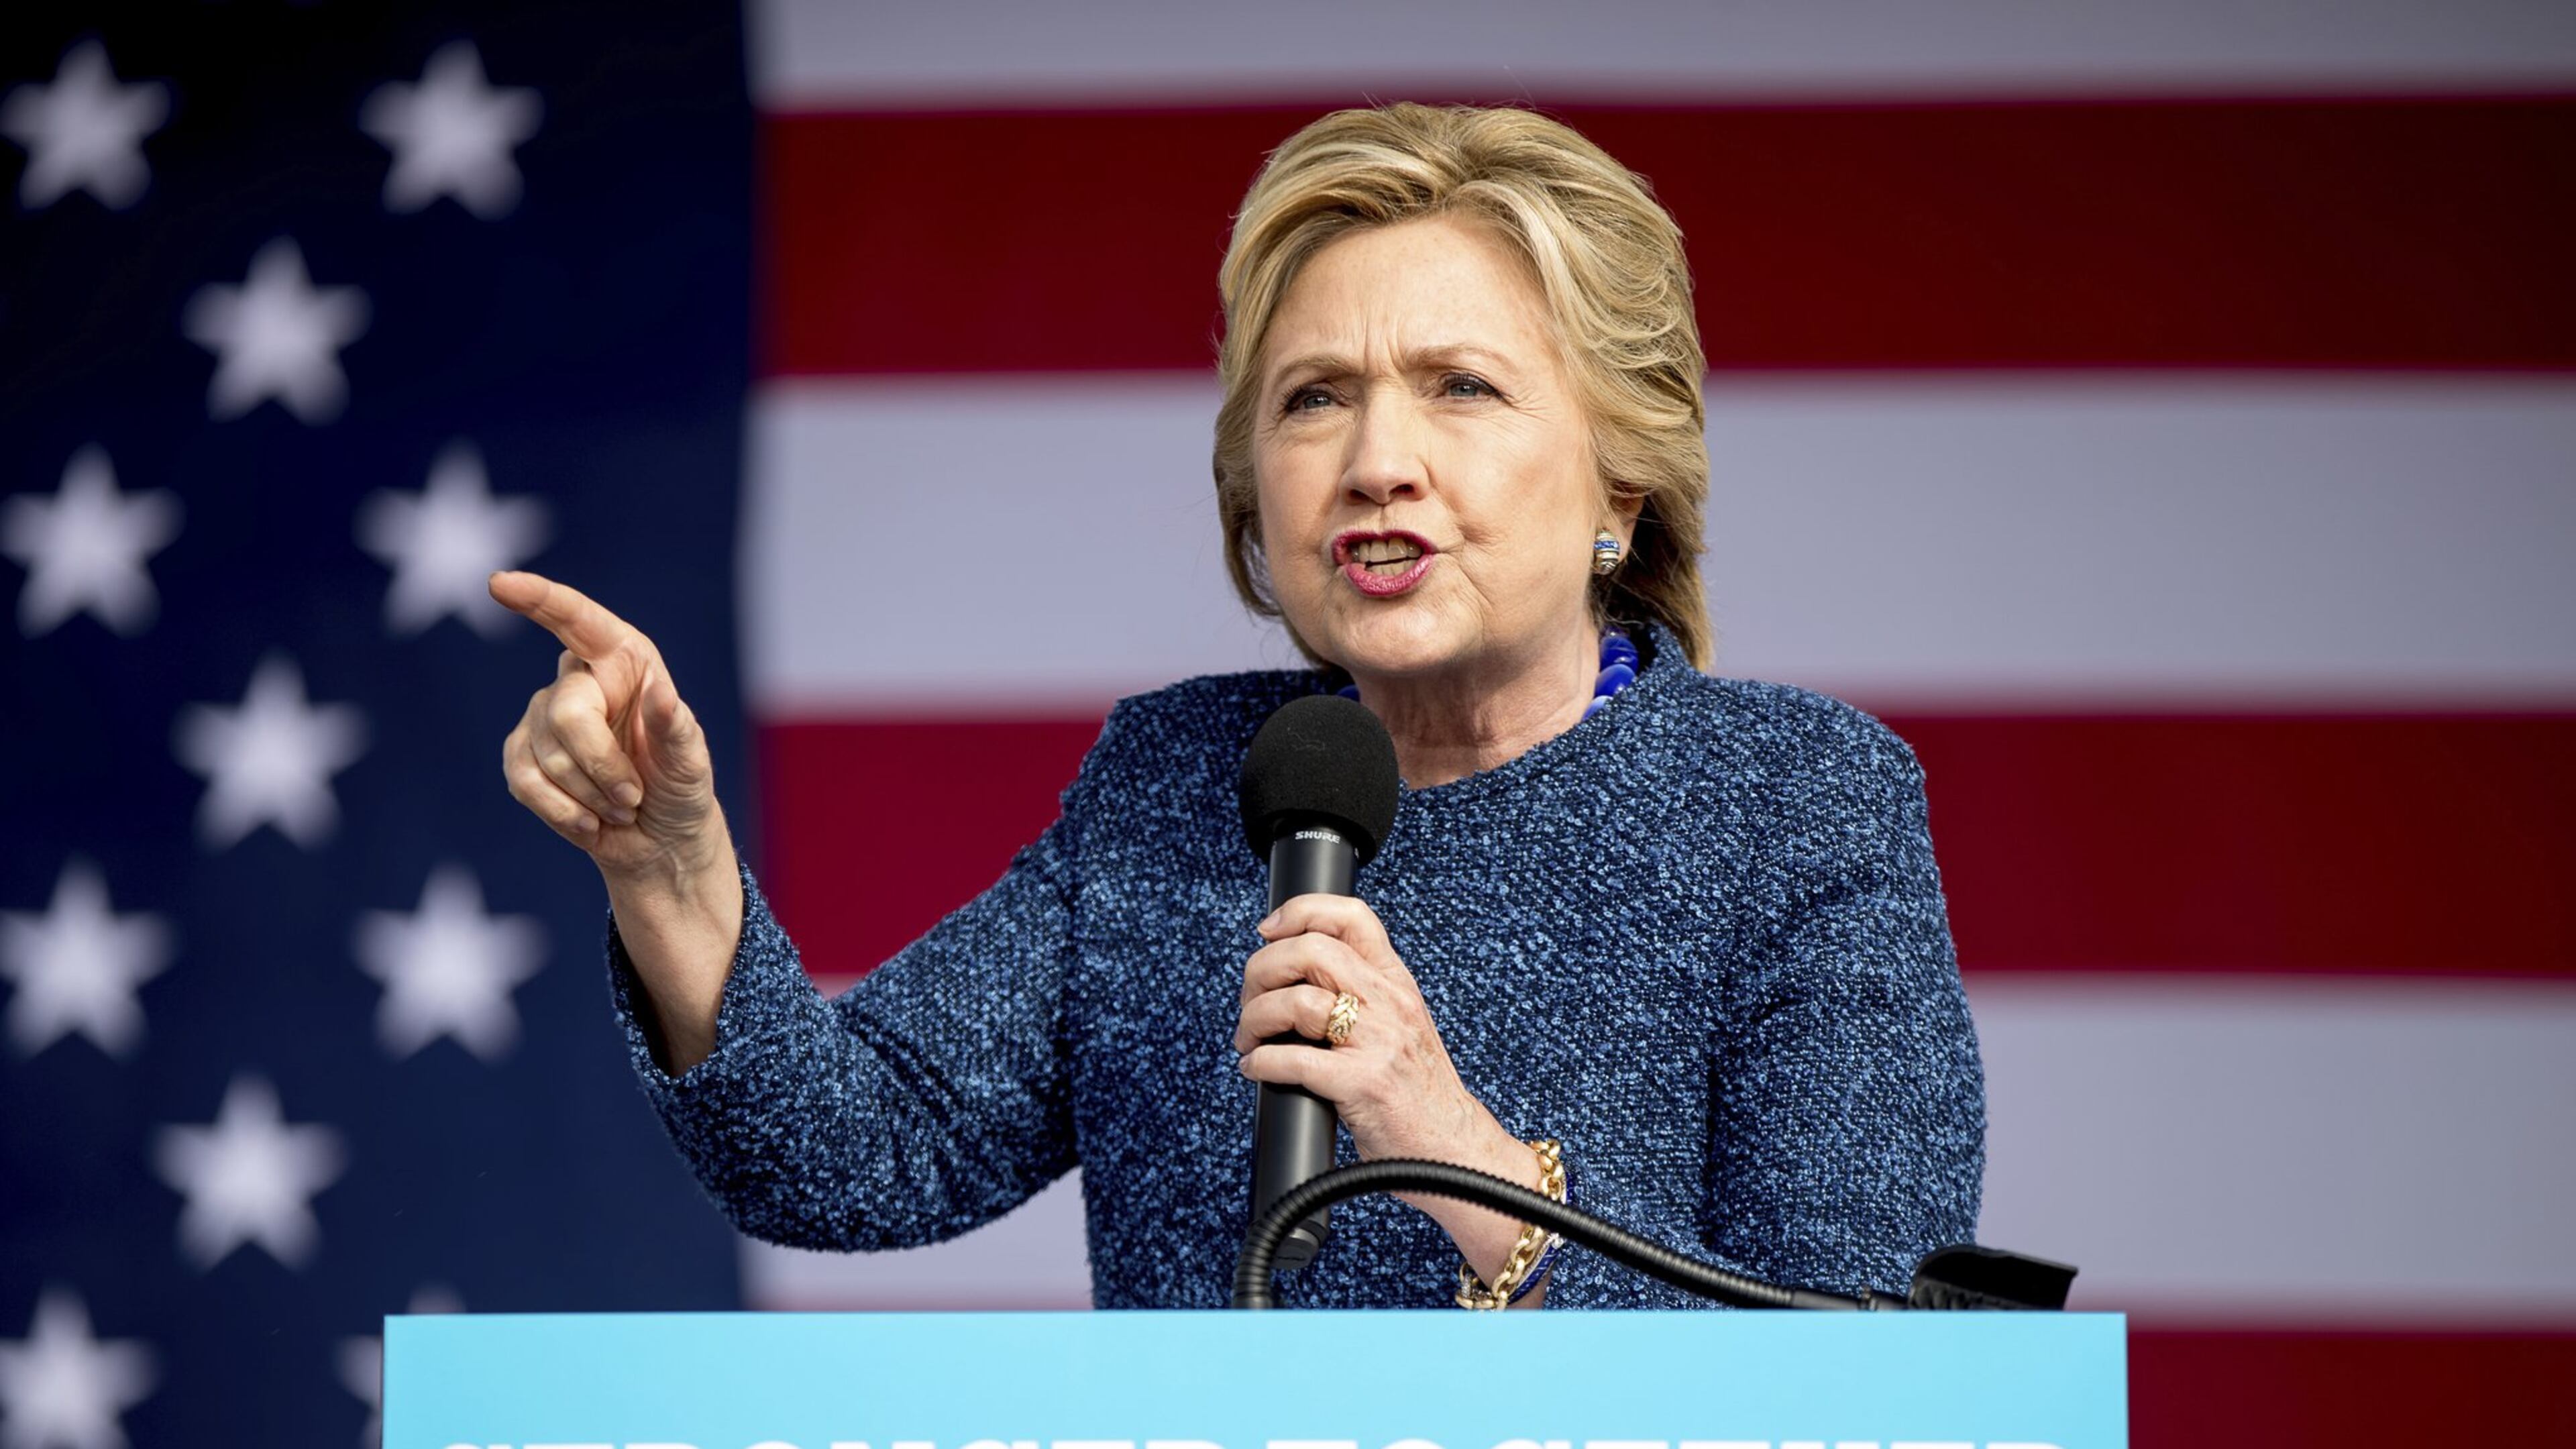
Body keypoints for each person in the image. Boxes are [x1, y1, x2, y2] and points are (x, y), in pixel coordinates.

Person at [490, 103, 1982, 1310]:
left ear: (1623, 484)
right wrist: (671, 871)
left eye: (1461, 387)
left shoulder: (1796, 803)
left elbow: (1854, 1353)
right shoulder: (1180, 778)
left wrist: (1448, 1145)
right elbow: (849, 1158)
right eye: (1314, 396)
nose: (1376, 462)